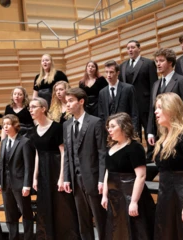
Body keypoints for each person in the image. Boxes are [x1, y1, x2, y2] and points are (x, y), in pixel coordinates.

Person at [152, 92, 183, 240]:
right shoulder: (162, 139)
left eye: (160, 107)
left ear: (171, 109)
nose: (156, 111)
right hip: (165, 196)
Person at [28, 97, 80, 240]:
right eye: (29, 108)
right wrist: (35, 176)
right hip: (43, 172)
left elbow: (63, 152)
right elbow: (38, 154)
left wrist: (62, 177)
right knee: (45, 205)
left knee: (62, 205)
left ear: (43, 109)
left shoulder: (57, 127)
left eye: (33, 107)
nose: (30, 110)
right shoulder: (34, 130)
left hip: (56, 168)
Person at [101, 112, 155, 240]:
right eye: (108, 127)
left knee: (135, 231)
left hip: (130, 195)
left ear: (124, 127)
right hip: (114, 198)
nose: (109, 129)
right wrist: (104, 195)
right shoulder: (111, 147)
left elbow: (141, 176)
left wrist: (134, 201)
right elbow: (108, 172)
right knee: (116, 230)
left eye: (113, 126)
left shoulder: (135, 148)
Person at [63, 88, 107, 240]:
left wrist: (102, 179)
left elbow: (102, 153)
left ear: (81, 101)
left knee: (100, 219)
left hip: (93, 178)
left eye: (70, 101)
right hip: (75, 180)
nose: (67, 104)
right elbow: (67, 154)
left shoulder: (95, 122)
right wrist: (66, 178)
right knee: (83, 221)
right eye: (66, 101)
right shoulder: (66, 125)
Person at [0, 114, 35, 240]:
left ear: (15, 125)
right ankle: (13, 237)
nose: (5, 127)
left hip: (20, 184)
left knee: (26, 213)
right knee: (10, 214)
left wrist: (27, 185)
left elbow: (29, 166)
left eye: (7, 124)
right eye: (4, 125)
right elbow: (1, 163)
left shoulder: (24, 142)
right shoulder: (4, 142)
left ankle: (28, 237)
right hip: (6, 184)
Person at [118, 40, 158, 159]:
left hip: (145, 104)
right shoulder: (123, 66)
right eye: (128, 48)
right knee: (133, 132)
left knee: (148, 131)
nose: (130, 50)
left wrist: (154, 102)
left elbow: (154, 85)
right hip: (129, 106)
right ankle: (137, 156)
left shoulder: (148, 63)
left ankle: (151, 156)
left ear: (139, 49)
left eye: (132, 47)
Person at [147, 48, 183, 147]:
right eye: (156, 61)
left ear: (170, 62)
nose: (158, 64)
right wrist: (150, 131)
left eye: (161, 61)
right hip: (160, 132)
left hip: (176, 131)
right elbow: (152, 109)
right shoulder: (155, 84)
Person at [98, 60, 139, 132]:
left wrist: (134, 131)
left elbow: (134, 112)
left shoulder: (128, 88)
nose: (108, 75)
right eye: (106, 72)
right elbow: (101, 115)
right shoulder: (102, 92)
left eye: (111, 72)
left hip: (126, 130)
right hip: (110, 132)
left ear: (118, 73)